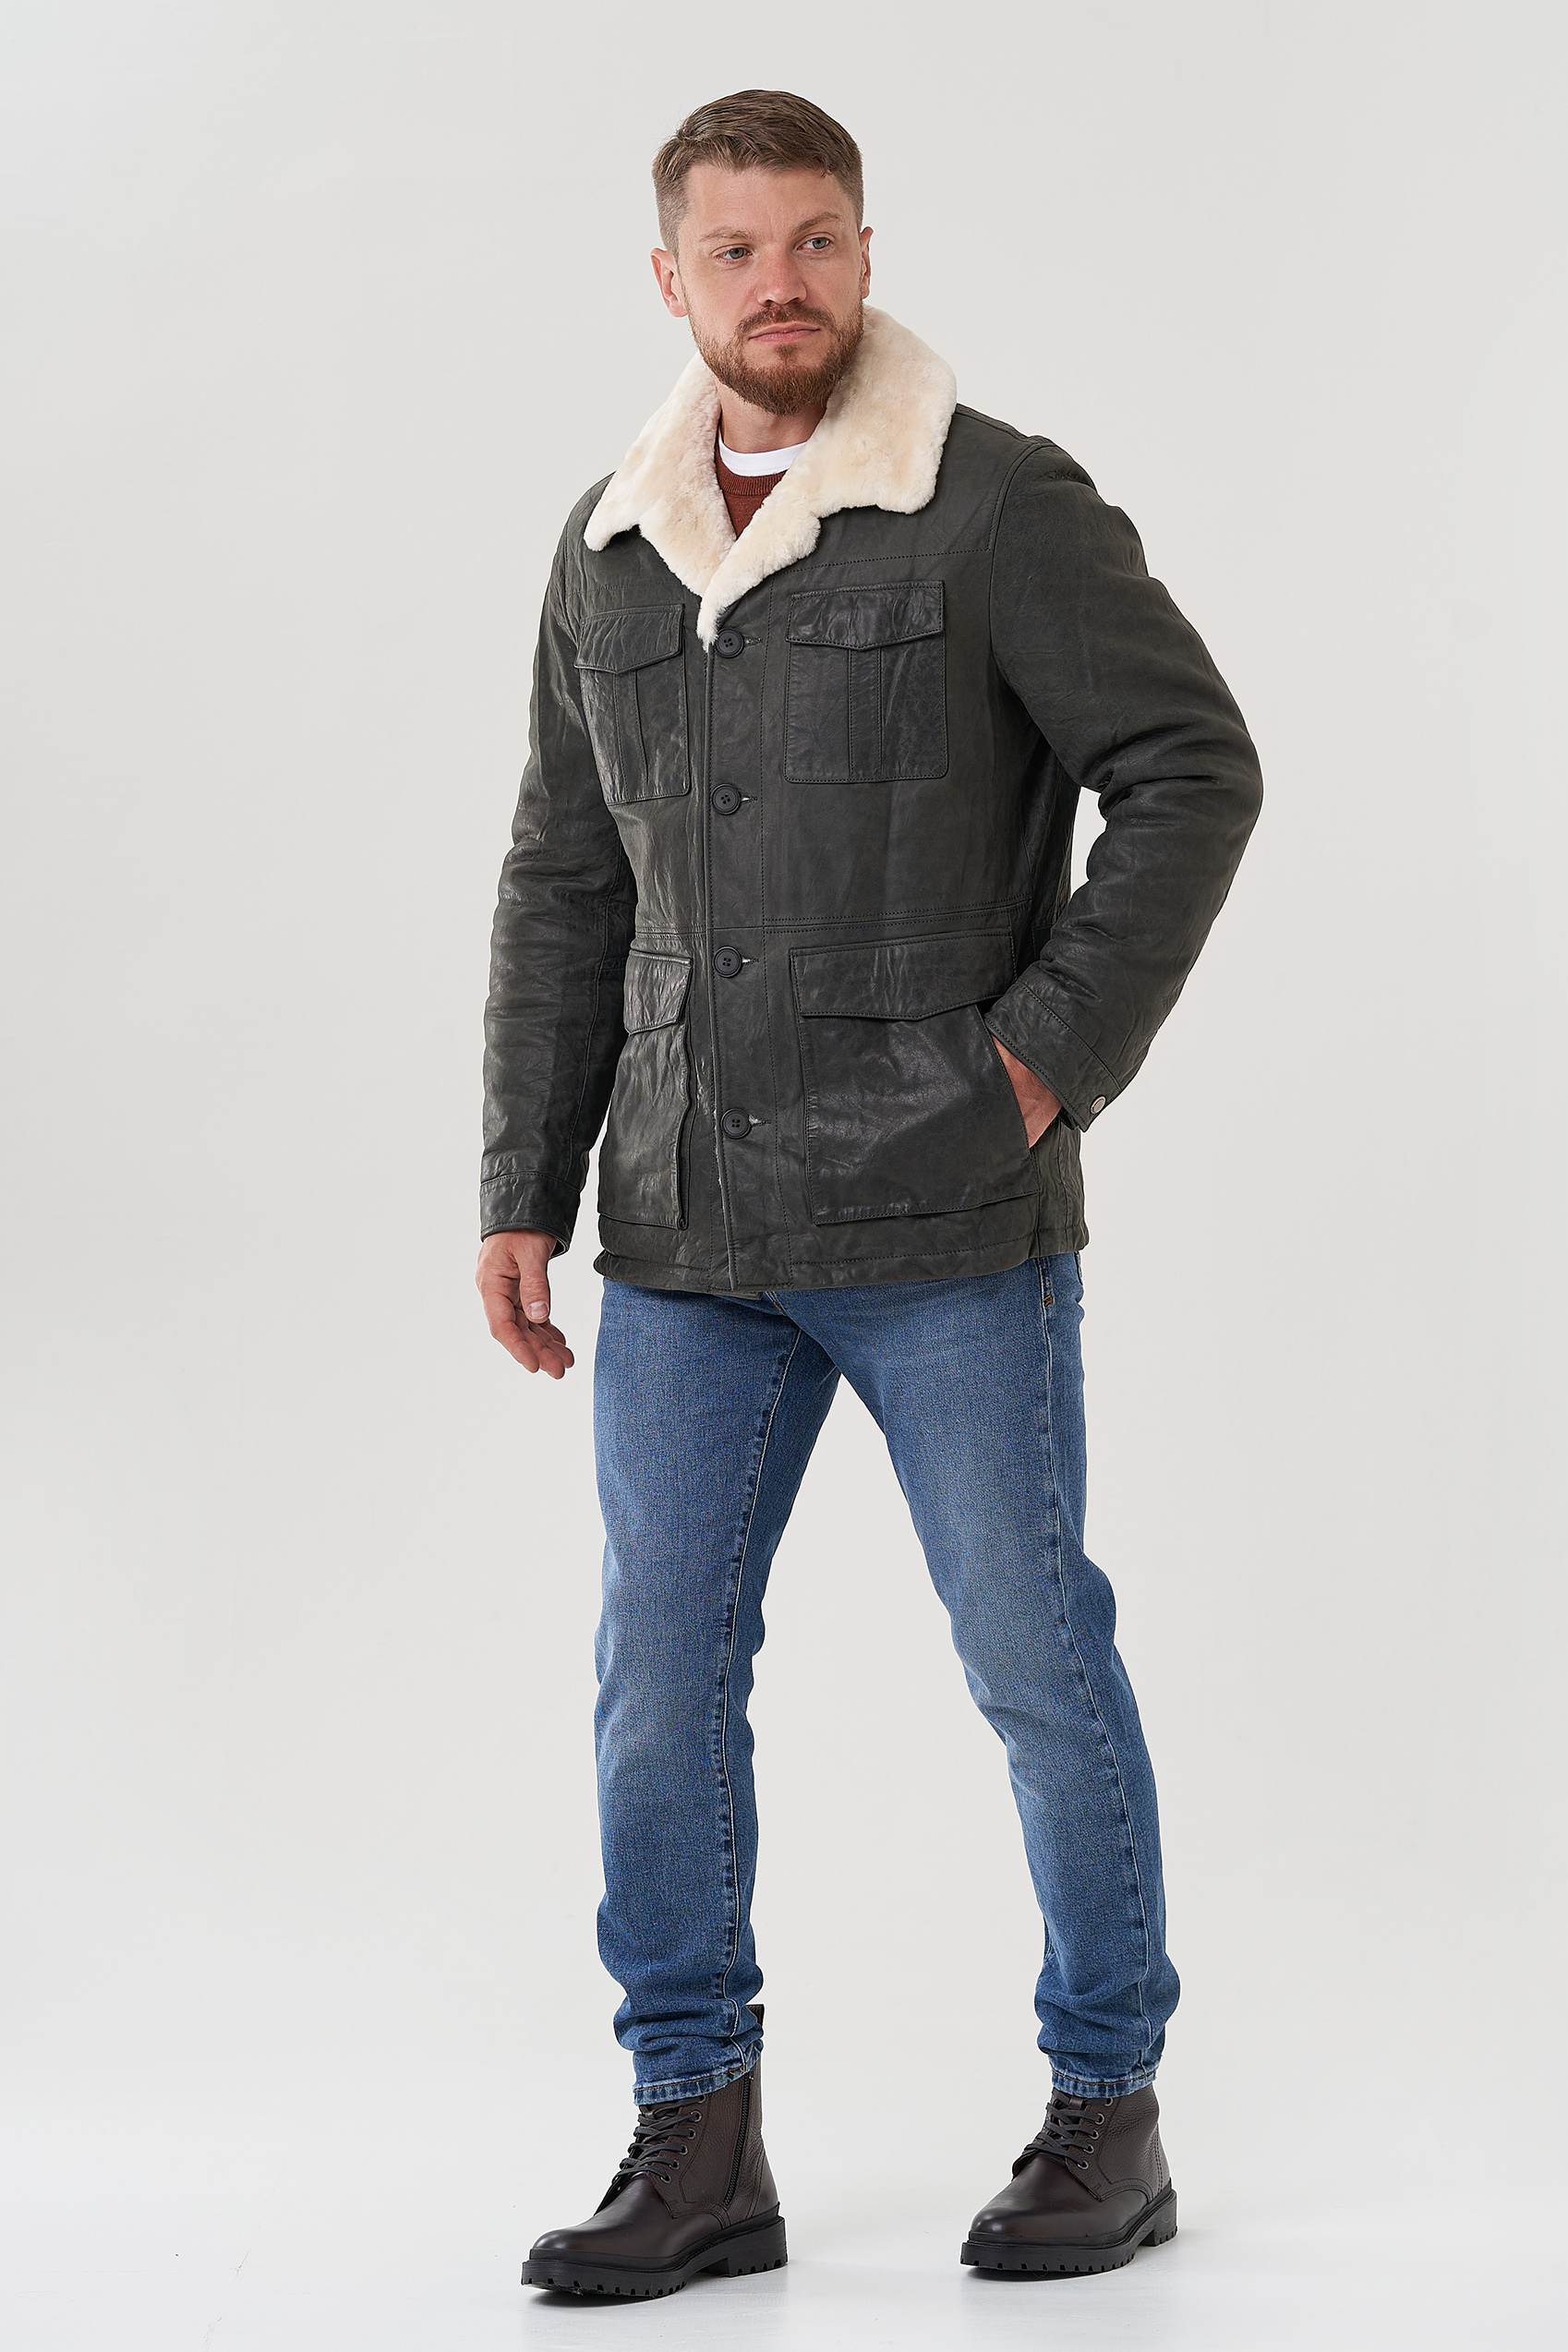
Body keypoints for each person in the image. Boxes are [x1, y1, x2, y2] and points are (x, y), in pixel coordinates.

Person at [477, 88, 1262, 2300]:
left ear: (863, 250)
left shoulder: (995, 503)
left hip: (946, 1220)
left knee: (1032, 1657)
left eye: (817, 240)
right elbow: (565, 875)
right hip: (685, 1229)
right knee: (656, 1687)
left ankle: (1109, 2101)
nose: (782, 285)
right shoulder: (610, 550)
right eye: (737, 250)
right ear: (671, 277)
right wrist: (522, 1177)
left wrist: (1036, 1061)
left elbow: (1191, 767)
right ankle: (697, 2134)